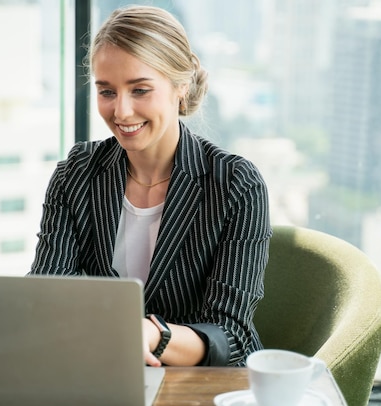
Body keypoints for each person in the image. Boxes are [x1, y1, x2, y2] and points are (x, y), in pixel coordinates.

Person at [29, 5, 272, 367]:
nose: (122, 112)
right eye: (107, 92)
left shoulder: (236, 184)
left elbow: (231, 335)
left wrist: (155, 335)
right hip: (103, 374)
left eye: (140, 90)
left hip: (202, 384)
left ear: (180, 87)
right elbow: (46, 297)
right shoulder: (76, 175)